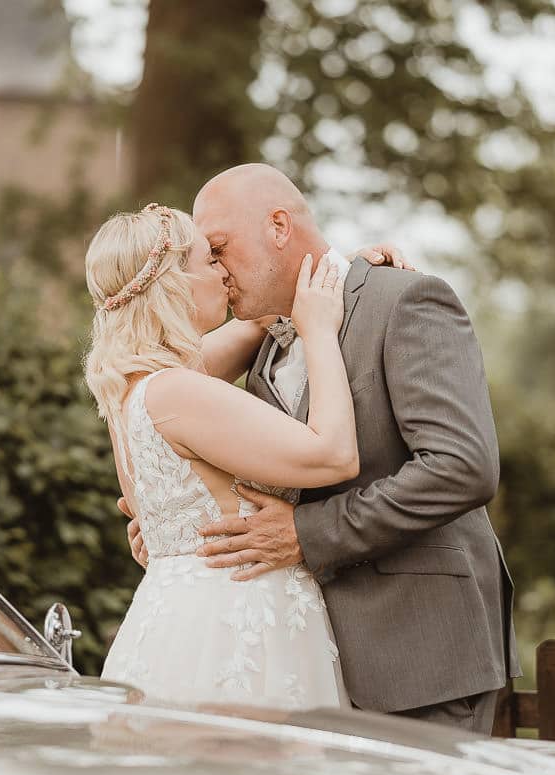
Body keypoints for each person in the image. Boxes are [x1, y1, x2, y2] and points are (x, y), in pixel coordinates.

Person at [84, 202, 371, 709]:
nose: (222, 272)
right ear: (175, 284)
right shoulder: (177, 393)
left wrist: (347, 272)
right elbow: (333, 456)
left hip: (178, 622)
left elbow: (262, 319)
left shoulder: (128, 390)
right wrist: (321, 331)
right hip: (239, 627)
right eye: (208, 259)